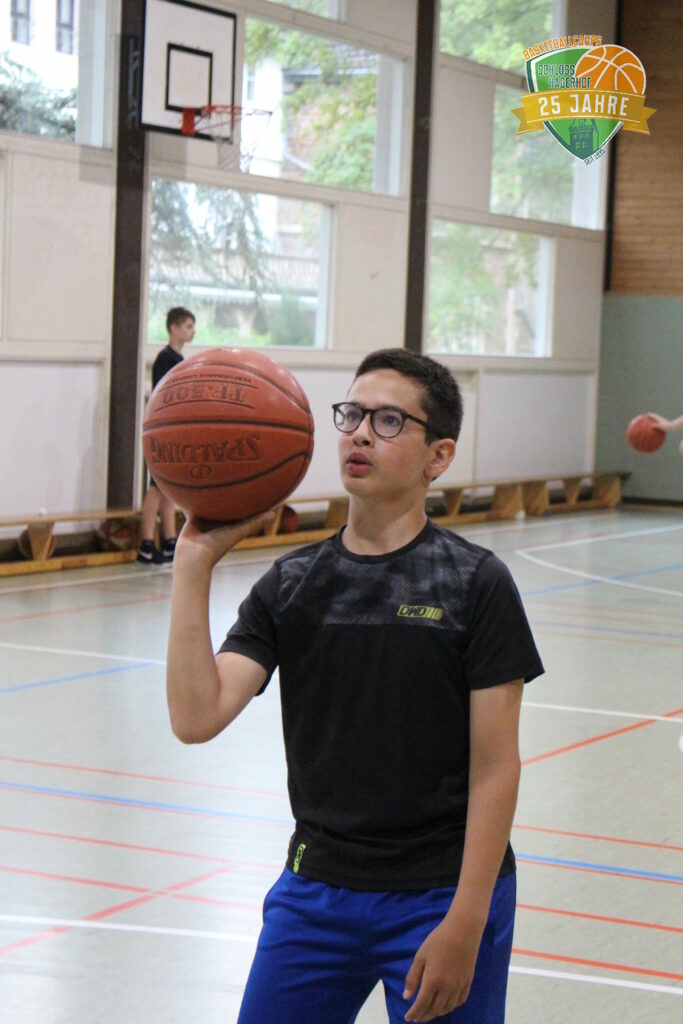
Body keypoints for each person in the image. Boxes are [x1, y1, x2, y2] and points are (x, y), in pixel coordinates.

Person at [166, 348, 544, 1023]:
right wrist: (193, 564)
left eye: (389, 420)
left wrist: (467, 921)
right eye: (352, 415)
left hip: (439, 896)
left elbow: (496, 768)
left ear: (438, 456)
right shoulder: (291, 584)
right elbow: (196, 717)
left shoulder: (475, 584)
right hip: (314, 892)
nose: (361, 434)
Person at [137, 307, 196, 564]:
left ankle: (170, 540)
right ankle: (146, 544)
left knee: (167, 487)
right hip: (162, 429)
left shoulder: (178, 359)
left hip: (172, 429)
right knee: (155, 487)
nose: (192, 332)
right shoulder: (165, 359)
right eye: (188, 326)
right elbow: (165, 396)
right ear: (174, 328)